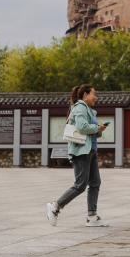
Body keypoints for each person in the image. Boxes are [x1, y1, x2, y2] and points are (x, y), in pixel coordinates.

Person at [45, 84, 109, 227]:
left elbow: (90, 131)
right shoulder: (80, 107)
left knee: (95, 183)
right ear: (85, 95)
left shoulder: (88, 110)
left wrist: (99, 130)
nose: (96, 97)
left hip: (90, 151)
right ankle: (55, 206)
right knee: (80, 185)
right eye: (94, 94)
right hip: (81, 152)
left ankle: (92, 216)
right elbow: (82, 127)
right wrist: (96, 128)